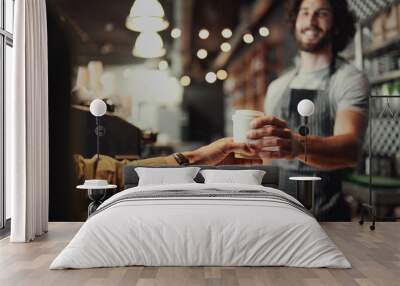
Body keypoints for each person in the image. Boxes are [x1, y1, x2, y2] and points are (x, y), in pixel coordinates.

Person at [247, 0, 369, 221]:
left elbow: (351, 149)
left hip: (326, 216)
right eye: (305, 13)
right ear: (295, 21)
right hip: (278, 214)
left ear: (337, 23)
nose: (311, 21)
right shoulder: (277, 87)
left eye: (321, 13)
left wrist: (297, 146)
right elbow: (267, 159)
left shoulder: (348, 79)